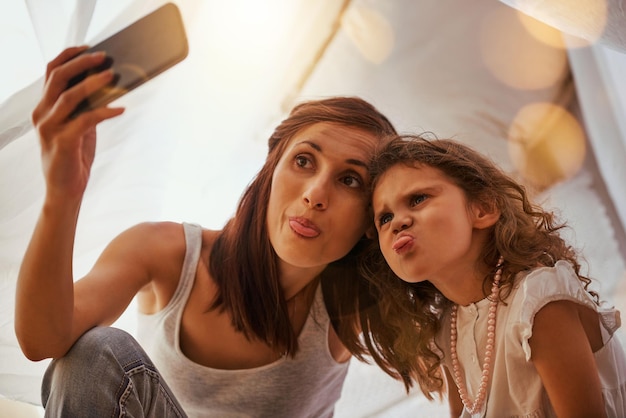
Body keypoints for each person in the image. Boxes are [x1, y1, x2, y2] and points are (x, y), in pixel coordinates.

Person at [14, 46, 407, 417]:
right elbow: (44, 341)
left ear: (373, 217)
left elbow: (460, 346)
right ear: (271, 169)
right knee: (96, 352)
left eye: (350, 180)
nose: (315, 194)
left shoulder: (356, 306)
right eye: (304, 160)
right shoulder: (166, 254)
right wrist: (61, 195)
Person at [362, 134, 626, 417]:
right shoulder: (448, 327)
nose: (398, 222)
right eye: (384, 218)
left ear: (483, 209)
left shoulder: (539, 301)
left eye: (417, 199)